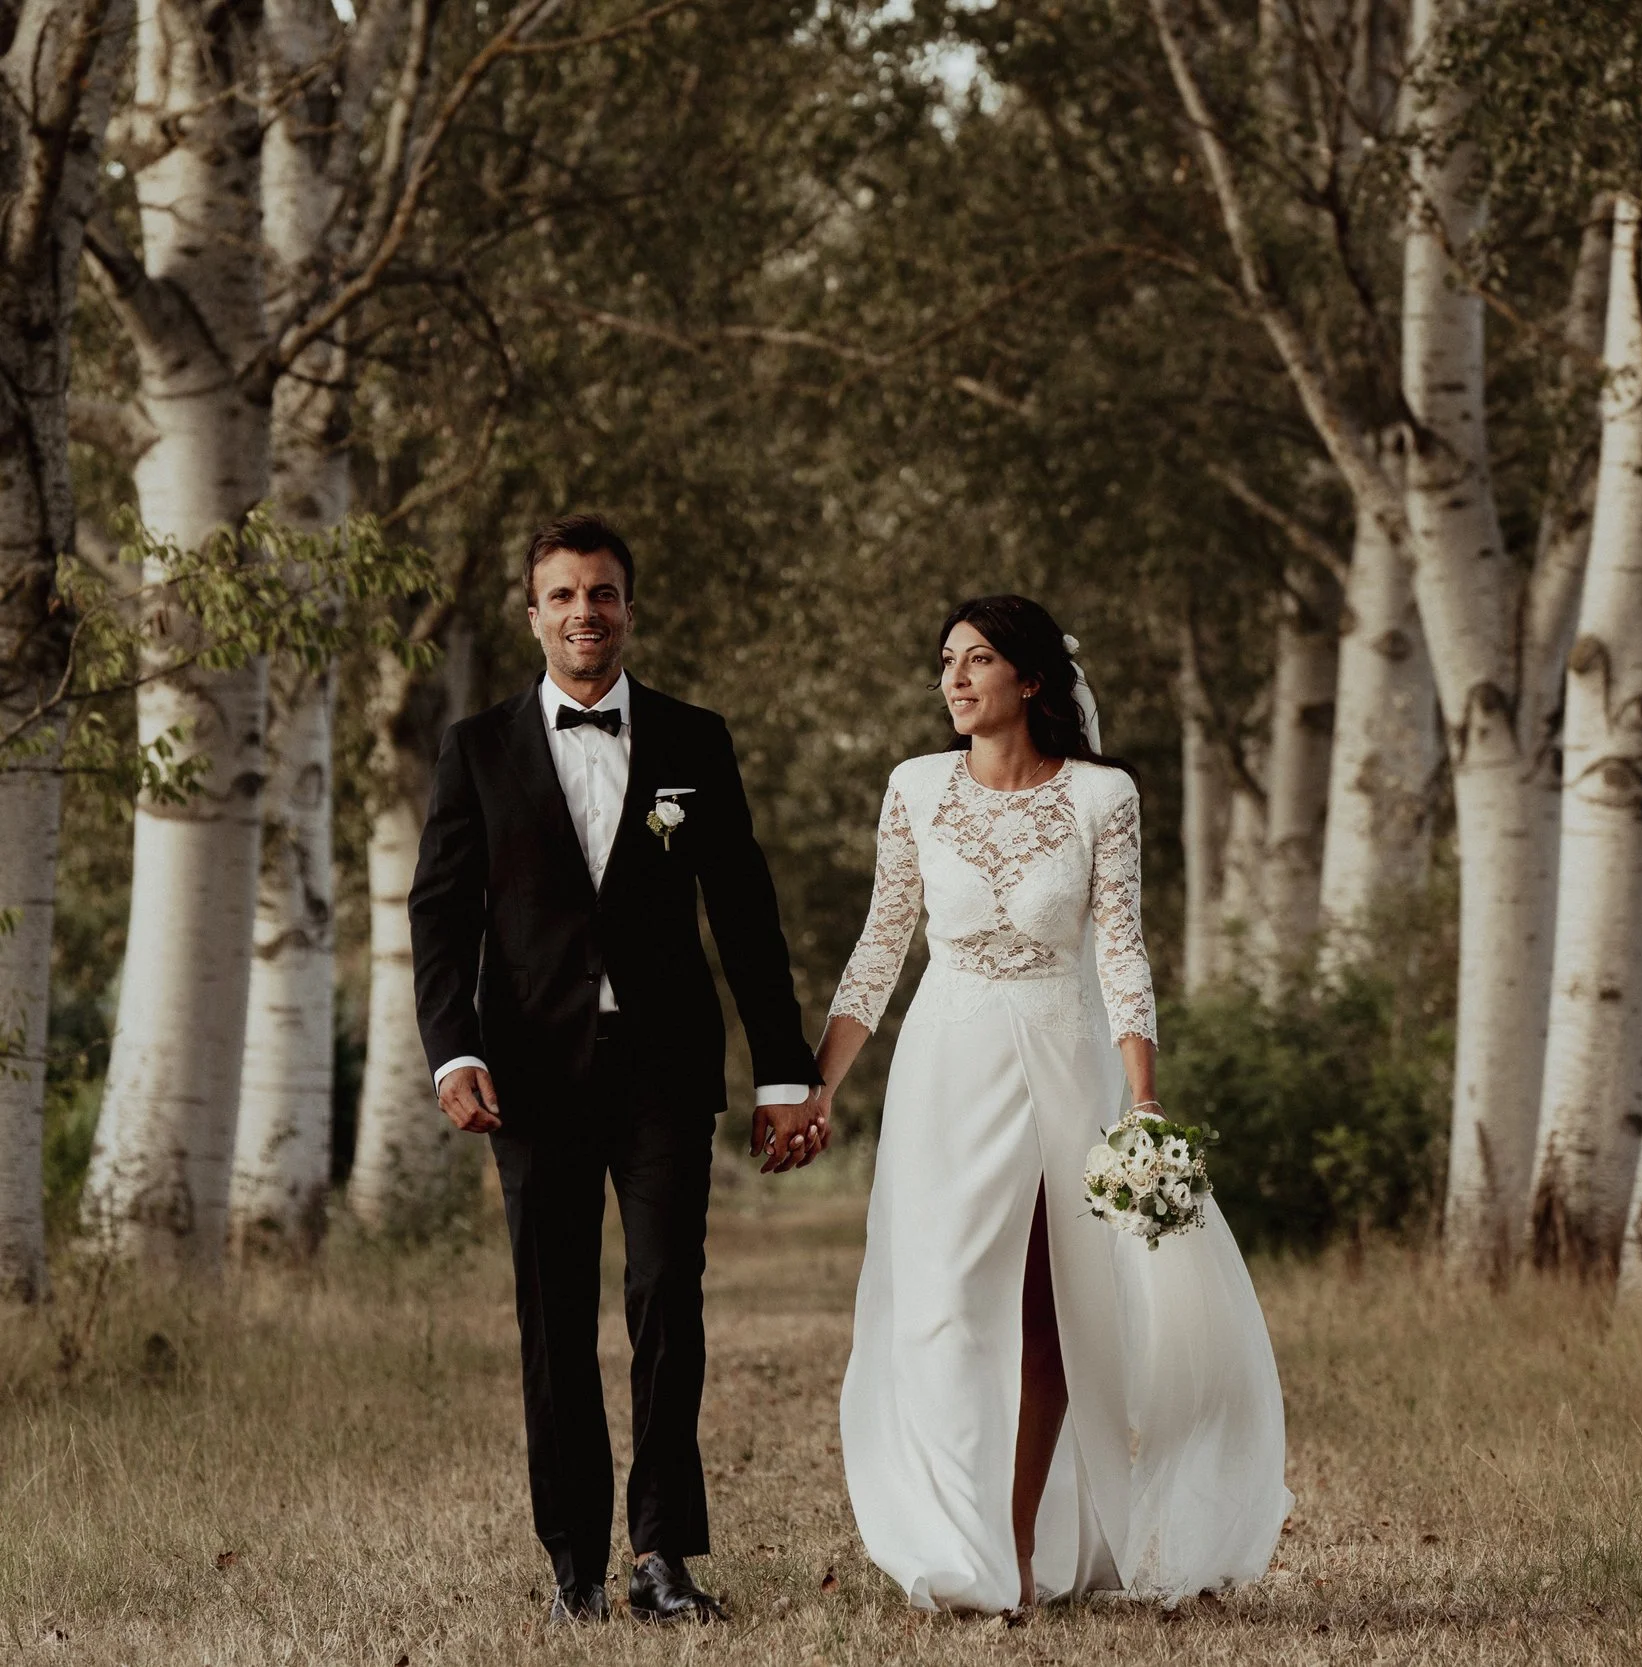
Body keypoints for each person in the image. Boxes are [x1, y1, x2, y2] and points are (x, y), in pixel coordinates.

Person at [821, 595, 1291, 1614]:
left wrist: (1145, 1104)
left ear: (1030, 678)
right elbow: (876, 947)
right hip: (945, 1068)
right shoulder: (912, 787)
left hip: (1062, 1063)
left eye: (976, 659)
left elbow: (1121, 952)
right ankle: (953, 1542)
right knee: (942, 1305)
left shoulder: (1100, 797)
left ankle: (1020, 1553)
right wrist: (818, 1083)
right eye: (945, 660)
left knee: (1048, 1313)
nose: (952, 678)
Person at [409, 514, 831, 1624]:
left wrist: (783, 1068)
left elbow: (744, 912)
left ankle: (662, 1553)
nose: (584, 611)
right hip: (530, 1077)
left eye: (602, 593)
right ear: (534, 611)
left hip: (661, 1070)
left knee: (663, 1298)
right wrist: (453, 1046)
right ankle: (572, 1567)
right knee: (552, 1318)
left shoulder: (696, 739)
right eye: (562, 594)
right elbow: (441, 916)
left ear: (628, 609)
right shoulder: (477, 747)